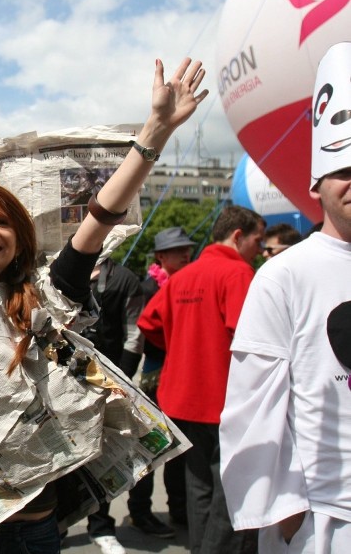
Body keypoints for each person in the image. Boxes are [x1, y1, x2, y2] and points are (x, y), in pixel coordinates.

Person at [0, 55, 209, 554]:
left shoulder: (48, 296)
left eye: (2, 223)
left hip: (35, 529)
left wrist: (154, 130)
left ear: (18, 239)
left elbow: (101, 215)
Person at [219, 41, 351, 554]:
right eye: (345, 170)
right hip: (326, 519)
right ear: (316, 185)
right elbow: (252, 401)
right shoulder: (283, 274)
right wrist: (287, 514)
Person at [138, 207, 265, 554]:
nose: (260, 247)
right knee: (232, 490)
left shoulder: (183, 276)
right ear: (238, 236)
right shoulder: (238, 273)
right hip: (223, 398)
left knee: (199, 484)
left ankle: (201, 548)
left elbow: (148, 322)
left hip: (184, 396)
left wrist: (181, 345)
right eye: (258, 239)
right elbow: (248, 337)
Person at [84, 257, 174, 550]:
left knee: (127, 449)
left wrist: (120, 377)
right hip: (68, 377)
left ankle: (122, 519)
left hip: (115, 377)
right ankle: (77, 525)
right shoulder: (59, 271)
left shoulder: (124, 279)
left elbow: (135, 331)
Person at [137, 226, 195, 529]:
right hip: (155, 376)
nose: (185, 254)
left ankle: (180, 511)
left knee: (180, 450)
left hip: (184, 374)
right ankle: (141, 513)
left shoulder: (190, 283)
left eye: (187, 248)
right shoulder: (148, 288)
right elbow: (141, 332)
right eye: (177, 250)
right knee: (152, 447)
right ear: (161, 256)